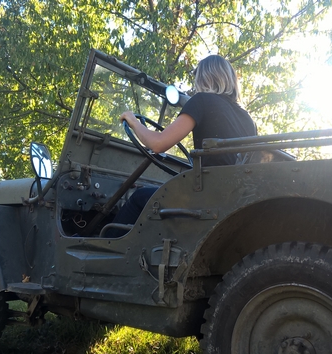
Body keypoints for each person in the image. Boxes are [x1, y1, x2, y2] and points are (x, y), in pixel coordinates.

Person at [106, 54, 257, 237]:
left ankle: (100, 254)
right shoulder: (247, 119)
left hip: (204, 200)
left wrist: (133, 122)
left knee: (138, 198)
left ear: (204, 77)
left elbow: (158, 144)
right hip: (229, 200)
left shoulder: (202, 100)